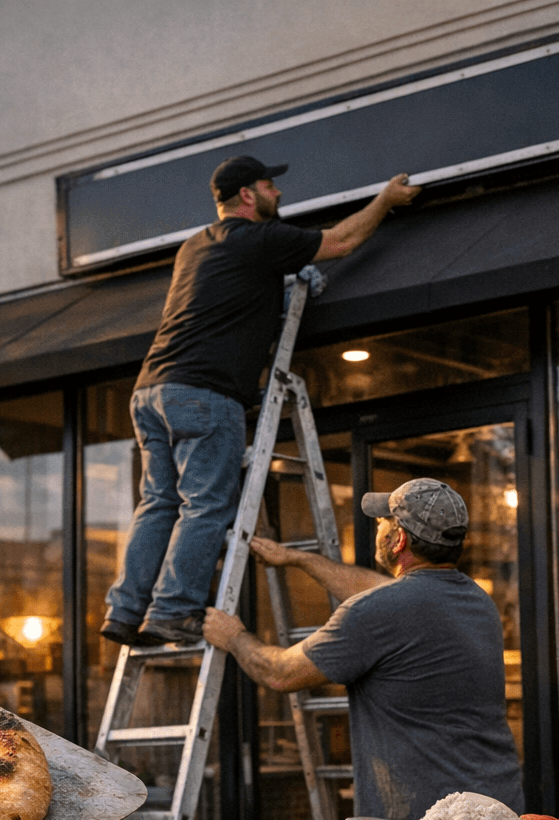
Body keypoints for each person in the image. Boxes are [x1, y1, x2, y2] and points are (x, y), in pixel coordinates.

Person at [102, 155, 422, 647]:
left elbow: (228, 299)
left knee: (158, 503)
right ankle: (172, 610)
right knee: (205, 504)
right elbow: (341, 241)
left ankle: (124, 613)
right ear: (248, 196)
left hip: (151, 389)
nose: (279, 193)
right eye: (270, 185)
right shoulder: (260, 240)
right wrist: (386, 199)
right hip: (204, 393)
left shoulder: (194, 247)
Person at [202, 478, 524, 820]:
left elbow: (279, 673)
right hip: (498, 812)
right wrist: (297, 559)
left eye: (384, 520)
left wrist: (233, 636)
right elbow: (383, 593)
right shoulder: (477, 602)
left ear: (398, 539)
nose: (377, 525)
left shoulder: (379, 610)